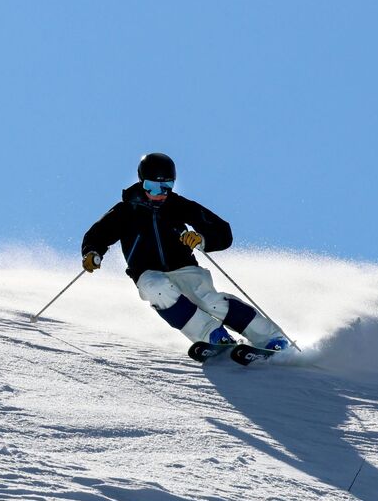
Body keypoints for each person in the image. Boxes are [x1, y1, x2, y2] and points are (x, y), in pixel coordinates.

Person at [81, 153, 290, 359]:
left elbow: (223, 232)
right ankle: (213, 336)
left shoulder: (178, 206)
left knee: (209, 301)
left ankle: (271, 338)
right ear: (141, 182)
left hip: (183, 267)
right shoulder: (125, 211)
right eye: (152, 186)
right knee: (156, 289)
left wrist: (201, 239)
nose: (159, 193)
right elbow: (98, 235)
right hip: (146, 271)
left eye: (166, 186)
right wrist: (92, 252)